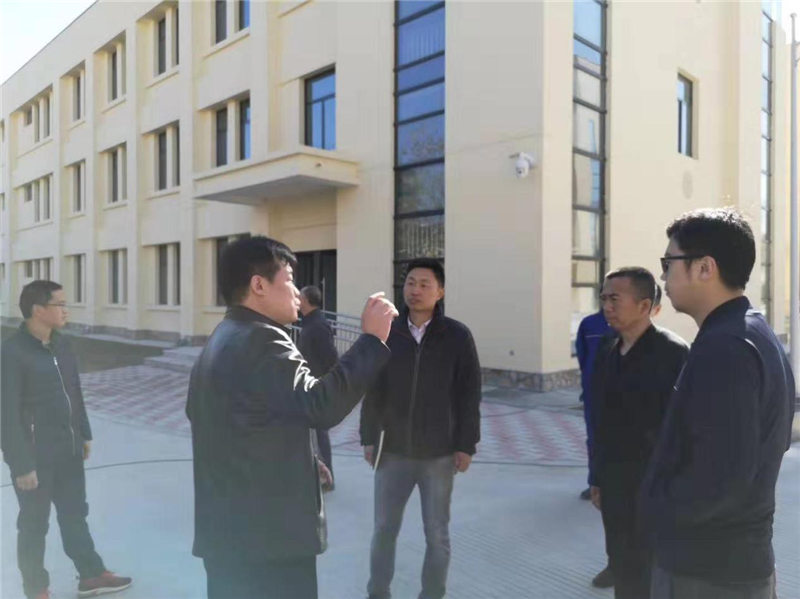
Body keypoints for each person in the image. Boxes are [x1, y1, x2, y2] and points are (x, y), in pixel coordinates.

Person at [186, 236, 397, 599]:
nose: (298, 292)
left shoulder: (222, 336)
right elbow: (320, 405)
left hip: (229, 536)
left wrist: (301, 458)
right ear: (258, 285)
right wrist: (371, 341)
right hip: (268, 545)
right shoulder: (263, 339)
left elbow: (241, 421)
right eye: (289, 279)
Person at [641, 208, 795, 599]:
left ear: (705, 267)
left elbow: (720, 478)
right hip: (735, 564)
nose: (663, 277)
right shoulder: (754, 332)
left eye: (668, 263)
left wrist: (658, 511)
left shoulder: (725, 347)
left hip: (707, 572)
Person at [1, 280, 132, 599]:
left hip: (68, 451)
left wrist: (83, 433)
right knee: (34, 526)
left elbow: (74, 391)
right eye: (59, 304)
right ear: (38, 310)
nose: (66, 310)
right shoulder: (11, 353)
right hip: (35, 458)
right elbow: (5, 414)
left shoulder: (62, 344)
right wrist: (21, 465)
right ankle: (36, 589)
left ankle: (91, 575)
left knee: (75, 516)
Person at [360, 258, 482, 599]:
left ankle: (432, 594)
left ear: (440, 291)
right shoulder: (388, 332)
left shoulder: (457, 336)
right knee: (384, 530)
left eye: (425, 284)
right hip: (392, 451)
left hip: (438, 455)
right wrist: (368, 437)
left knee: (437, 534)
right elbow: (373, 388)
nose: (415, 290)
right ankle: (377, 592)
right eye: (410, 282)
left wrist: (466, 444)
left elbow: (469, 393)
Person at [589, 268, 689, 599]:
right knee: (623, 565)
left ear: (645, 305)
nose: (607, 306)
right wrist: (597, 478)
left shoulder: (673, 353)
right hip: (615, 483)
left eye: (615, 299)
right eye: (603, 298)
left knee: (653, 572)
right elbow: (600, 421)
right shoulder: (607, 349)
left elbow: (685, 428)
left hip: (656, 485)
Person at [575, 309, 615, 588]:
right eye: (605, 296)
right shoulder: (589, 325)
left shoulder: (660, 343)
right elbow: (582, 357)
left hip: (622, 402)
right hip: (593, 395)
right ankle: (595, 483)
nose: (609, 302)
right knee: (594, 440)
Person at [297, 285, 339, 491]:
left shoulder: (318, 326)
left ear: (306, 301)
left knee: (319, 435)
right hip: (308, 386)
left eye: (299, 297)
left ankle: (326, 479)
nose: (297, 301)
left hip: (317, 388)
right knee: (312, 434)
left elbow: (331, 358)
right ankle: (316, 476)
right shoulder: (309, 322)